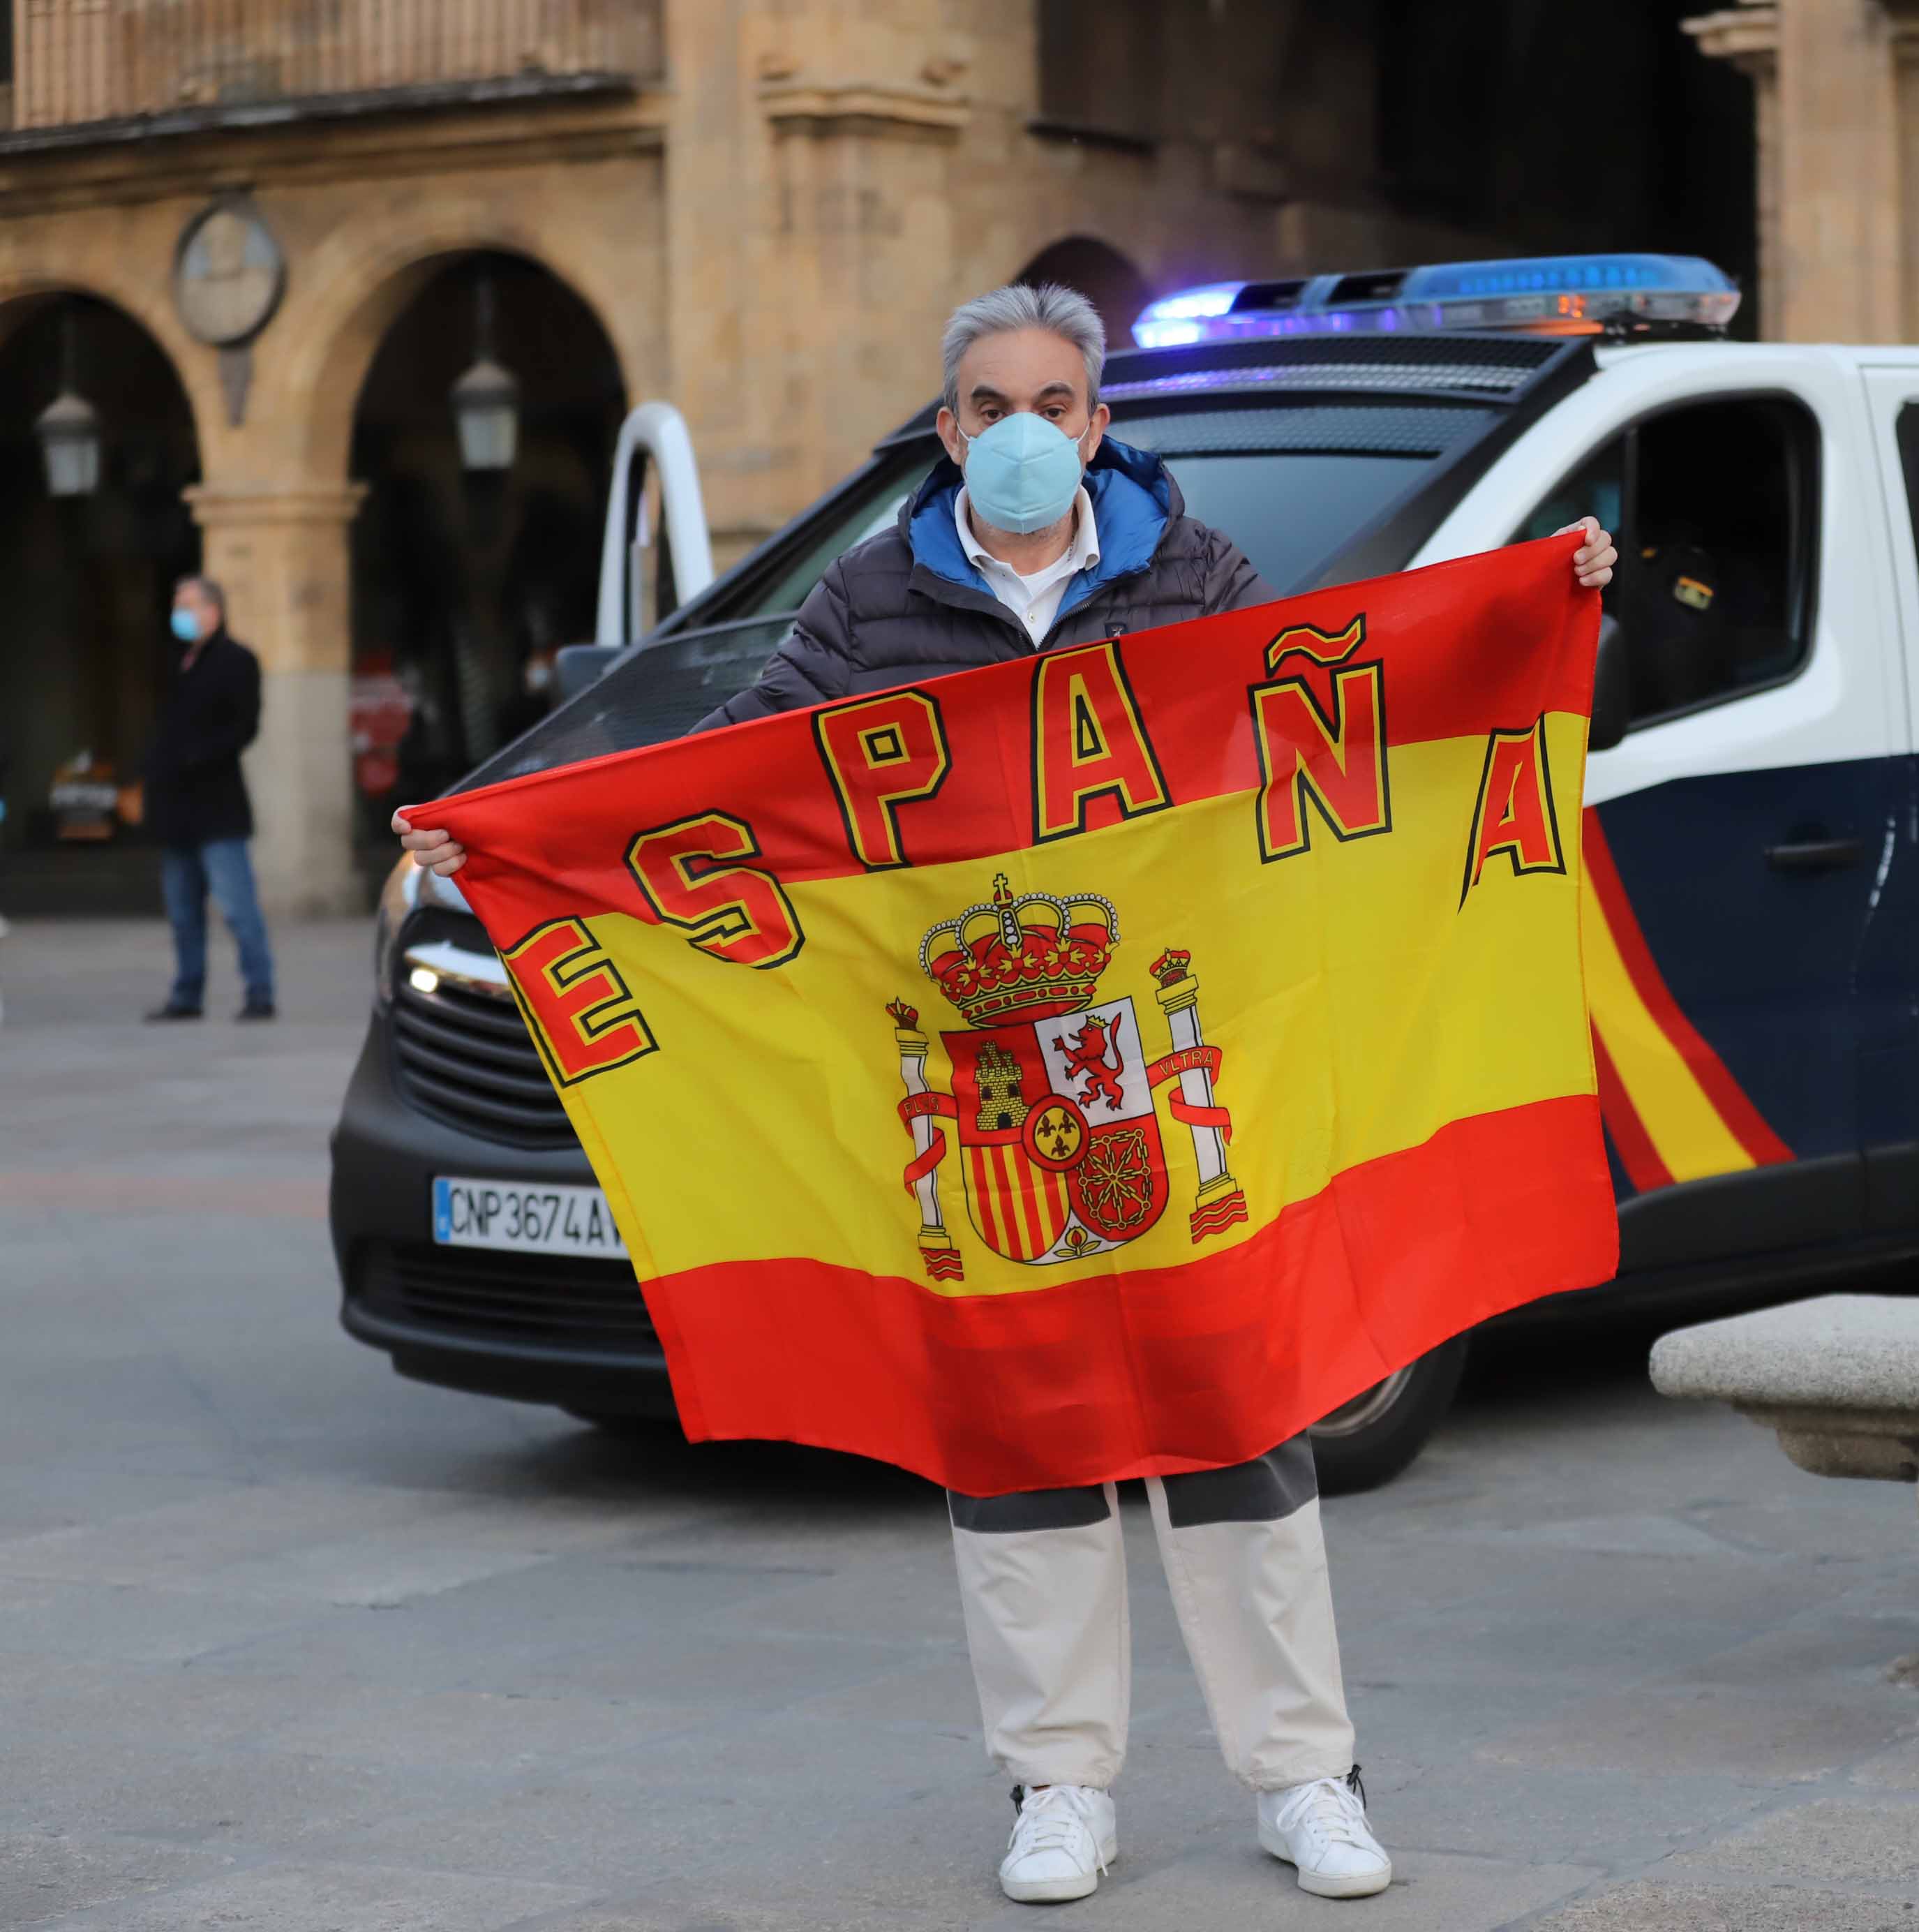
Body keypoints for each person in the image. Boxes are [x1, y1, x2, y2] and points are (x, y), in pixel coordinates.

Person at [397, 281, 1617, 1908]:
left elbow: (1349, 706)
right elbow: (734, 795)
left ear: (1098, 423)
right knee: (1018, 1437)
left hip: (1178, 1084)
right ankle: (1060, 1783)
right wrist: (507, 831)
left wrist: (1548, 596)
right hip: (972, 1094)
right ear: (948, 427)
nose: (1024, 432)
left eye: (1056, 402)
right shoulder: (866, 602)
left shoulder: (1195, 578)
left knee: (1242, 1427)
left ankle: (1305, 1773)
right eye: (991, 405)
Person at [145, 576, 276, 1023]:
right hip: (175, 808)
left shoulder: (236, 661)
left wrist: (197, 755)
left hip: (218, 807)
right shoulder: (175, 661)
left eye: (188, 604)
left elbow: (245, 726)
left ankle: (260, 993)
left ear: (212, 611)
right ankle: (187, 995)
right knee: (183, 914)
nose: (179, 612)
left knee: (238, 909)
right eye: (177, 603)